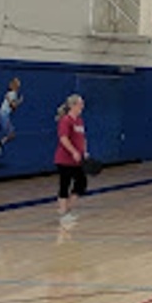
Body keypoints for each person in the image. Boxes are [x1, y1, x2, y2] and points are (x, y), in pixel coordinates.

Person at [55, 94, 87, 225]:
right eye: (80, 104)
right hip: (64, 159)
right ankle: (64, 213)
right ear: (73, 105)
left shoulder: (79, 121)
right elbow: (63, 138)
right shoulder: (65, 120)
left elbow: (82, 138)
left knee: (81, 183)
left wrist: (84, 152)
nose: (82, 106)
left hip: (78, 160)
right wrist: (73, 151)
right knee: (65, 185)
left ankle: (66, 210)